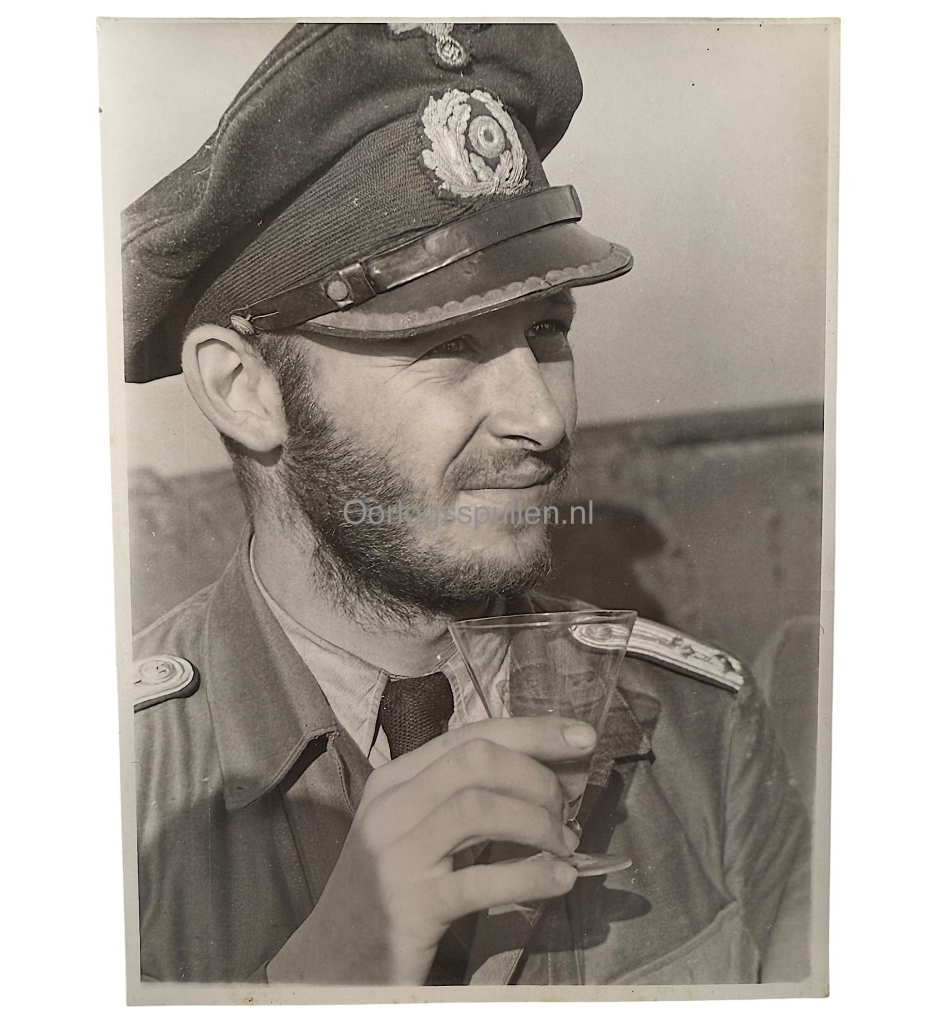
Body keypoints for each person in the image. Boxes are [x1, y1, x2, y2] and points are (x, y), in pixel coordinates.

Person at [124, 22, 810, 988]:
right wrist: (310, 991)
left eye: (548, 330)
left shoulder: (704, 733)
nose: (542, 417)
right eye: (446, 344)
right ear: (245, 390)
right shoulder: (115, 783)